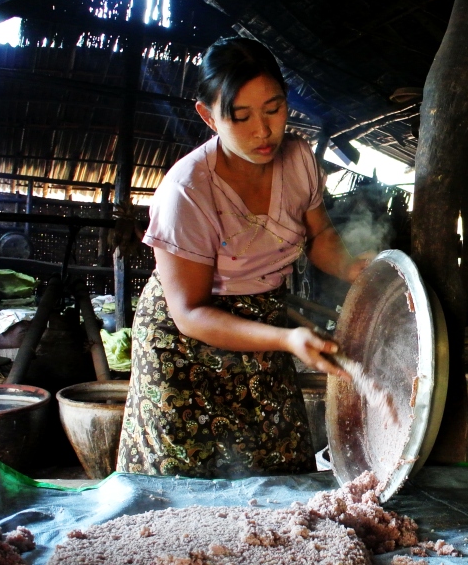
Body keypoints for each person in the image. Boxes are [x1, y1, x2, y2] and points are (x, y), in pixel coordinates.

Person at [117, 37, 366, 478]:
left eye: (274, 109)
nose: (263, 131)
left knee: (277, 467)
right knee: (188, 478)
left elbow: (321, 233)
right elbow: (190, 312)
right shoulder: (187, 191)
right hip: (185, 345)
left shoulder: (298, 159)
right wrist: (286, 340)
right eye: (241, 116)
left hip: (263, 328)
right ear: (208, 116)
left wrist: (352, 268)